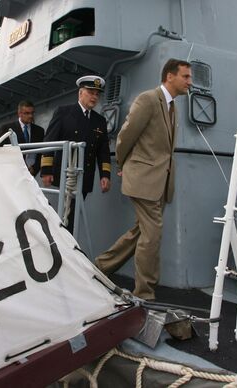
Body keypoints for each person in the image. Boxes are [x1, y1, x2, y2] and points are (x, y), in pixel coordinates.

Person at [95, 59, 193, 300]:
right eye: (186, 77)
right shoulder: (148, 99)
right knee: (153, 234)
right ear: (170, 77)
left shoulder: (173, 107)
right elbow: (125, 136)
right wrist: (124, 164)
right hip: (143, 179)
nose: (190, 82)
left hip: (158, 181)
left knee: (141, 231)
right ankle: (145, 293)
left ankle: (99, 267)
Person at [41, 75, 111, 231]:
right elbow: (50, 141)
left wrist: (105, 175)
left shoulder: (99, 121)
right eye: (91, 92)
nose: (94, 97)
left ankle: (67, 249)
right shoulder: (64, 112)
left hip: (85, 177)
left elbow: (103, 150)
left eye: (97, 94)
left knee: (72, 218)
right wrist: (46, 170)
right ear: (81, 93)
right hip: (64, 176)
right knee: (61, 217)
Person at [0, 100, 45, 175]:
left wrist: (34, 169)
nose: (30, 116)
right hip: (12, 172)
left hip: (31, 172)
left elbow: (41, 153)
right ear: (19, 113)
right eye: (27, 113)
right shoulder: (6, 128)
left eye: (32, 113)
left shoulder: (39, 131)